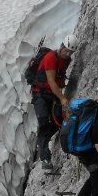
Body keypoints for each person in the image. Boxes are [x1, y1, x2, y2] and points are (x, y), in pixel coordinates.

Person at [31, 34, 79, 171]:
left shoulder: (66, 59)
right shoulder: (51, 58)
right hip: (40, 93)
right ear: (62, 46)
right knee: (43, 119)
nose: (68, 54)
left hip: (52, 94)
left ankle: (44, 140)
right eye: (67, 50)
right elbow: (51, 81)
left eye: (71, 52)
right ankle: (45, 156)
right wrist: (63, 98)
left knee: (58, 120)